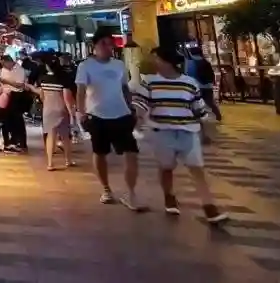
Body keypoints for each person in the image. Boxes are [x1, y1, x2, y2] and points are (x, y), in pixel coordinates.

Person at [133, 47, 228, 223]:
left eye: (156, 58)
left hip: (188, 132)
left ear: (167, 61)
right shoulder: (150, 82)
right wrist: (137, 120)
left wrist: (204, 132)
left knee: (197, 170)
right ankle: (169, 197)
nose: (153, 62)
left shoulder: (189, 83)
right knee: (166, 168)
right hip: (162, 133)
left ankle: (210, 209)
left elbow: (198, 110)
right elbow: (141, 104)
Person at [75, 30, 140, 210]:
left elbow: (125, 88)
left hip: (121, 114)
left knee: (131, 153)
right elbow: (80, 92)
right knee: (100, 153)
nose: (107, 47)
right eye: (103, 43)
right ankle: (106, 189)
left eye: (110, 44)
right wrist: (81, 113)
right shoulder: (86, 66)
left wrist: (131, 107)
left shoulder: (119, 65)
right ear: (94, 46)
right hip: (97, 115)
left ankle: (131, 193)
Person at [34, 53, 76, 171]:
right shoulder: (64, 78)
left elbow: (42, 96)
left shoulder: (42, 78)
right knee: (65, 136)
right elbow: (67, 98)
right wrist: (72, 112)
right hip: (62, 110)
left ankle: (50, 163)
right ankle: (68, 160)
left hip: (48, 110)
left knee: (50, 136)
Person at [0, 55, 28, 152]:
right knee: (6, 120)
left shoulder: (20, 70)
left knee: (18, 120)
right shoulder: (3, 70)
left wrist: (6, 81)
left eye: (4, 64)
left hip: (16, 96)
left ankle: (21, 142)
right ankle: (9, 141)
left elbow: (19, 85)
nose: (3, 66)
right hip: (5, 95)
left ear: (9, 62)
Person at [185, 47, 221, 121]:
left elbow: (189, 75)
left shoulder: (191, 62)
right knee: (210, 103)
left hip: (197, 86)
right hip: (208, 86)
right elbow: (211, 74)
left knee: (195, 103)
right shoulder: (206, 62)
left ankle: (197, 118)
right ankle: (218, 116)